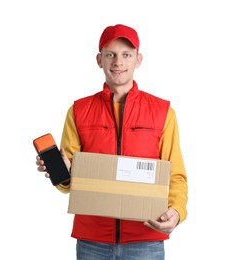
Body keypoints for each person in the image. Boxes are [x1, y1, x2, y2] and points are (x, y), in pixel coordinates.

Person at [36, 24, 188, 260]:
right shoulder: (78, 111)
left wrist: (177, 212)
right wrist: (63, 173)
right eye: (111, 55)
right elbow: (68, 183)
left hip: (146, 239)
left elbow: (175, 174)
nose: (118, 62)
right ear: (99, 59)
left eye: (126, 55)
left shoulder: (163, 112)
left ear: (138, 60)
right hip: (92, 241)